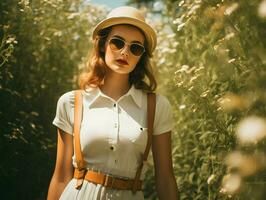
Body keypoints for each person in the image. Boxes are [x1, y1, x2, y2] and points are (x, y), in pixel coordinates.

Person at [47, 6, 179, 200]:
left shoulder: (157, 106)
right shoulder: (72, 103)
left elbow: (165, 178)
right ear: (102, 45)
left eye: (135, 47)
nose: (125, 52)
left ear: (141, 55)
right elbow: (60, 177)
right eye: (117, 43)